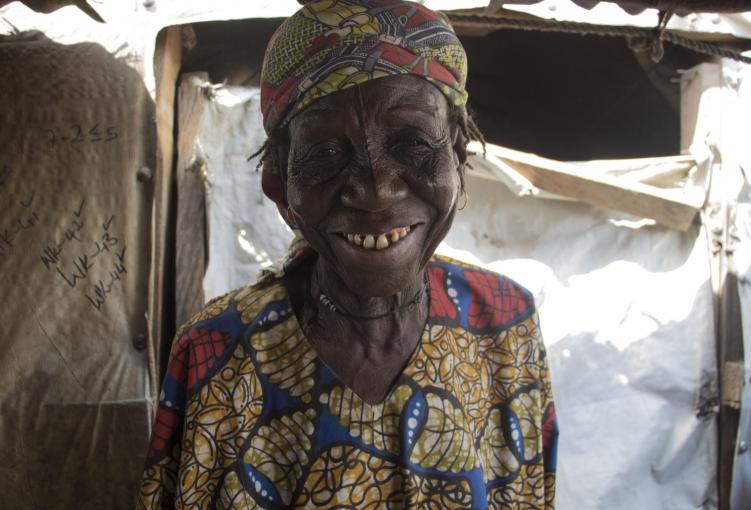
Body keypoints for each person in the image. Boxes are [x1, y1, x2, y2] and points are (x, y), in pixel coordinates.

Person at [137, 1, 558, 508]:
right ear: (279, 187)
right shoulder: (216, 353)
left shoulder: (506, 325)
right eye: (327, 153)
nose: (377, 190)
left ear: (458, 159)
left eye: (413, 143)